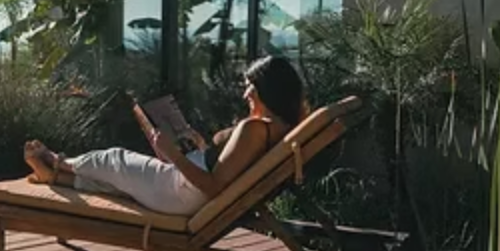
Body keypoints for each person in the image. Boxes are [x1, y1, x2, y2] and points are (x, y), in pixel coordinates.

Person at [23, 55, 306, 216]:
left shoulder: (254, 127)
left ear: (268, 89)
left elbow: (215, 186)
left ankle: (58, 161)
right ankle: (56, 177)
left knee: (114, 159)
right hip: (186, 187)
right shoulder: (280, 130)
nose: (245, 94)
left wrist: (172, 154)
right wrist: (201, 148)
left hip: (179, 191)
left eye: (250, 87)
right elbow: (227, 169)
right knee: (119, 185)